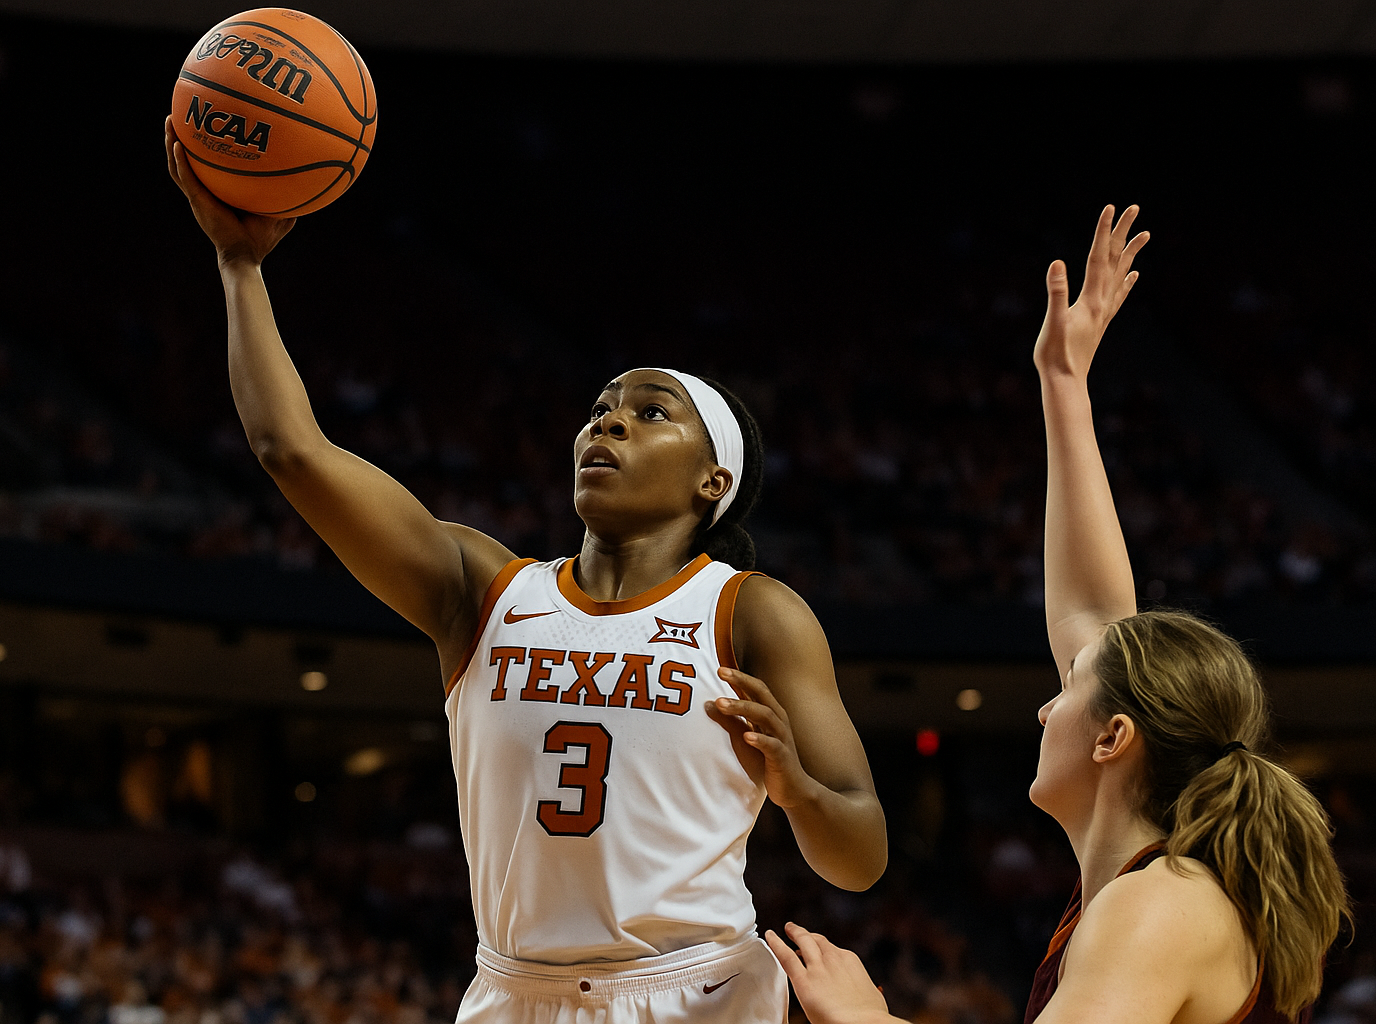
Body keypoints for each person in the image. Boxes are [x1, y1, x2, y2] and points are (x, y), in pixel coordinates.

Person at [164, 118, 889, 1023]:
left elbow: (860, 854)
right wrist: (240, 268)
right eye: (599, 409)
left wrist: (796, 789)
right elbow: (292, 451)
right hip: (514, 992)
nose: (607, 424)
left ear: (715, 481)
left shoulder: (752, 613)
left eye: (649, 412)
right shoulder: (483, 588)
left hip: (697, 993)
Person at [766, 206, 1350, 1024]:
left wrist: (871, 1022)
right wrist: (1064, 382)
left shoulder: (1159, 904)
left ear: (1115, 738)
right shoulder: (1142, 890)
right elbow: (1090, 611)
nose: (1043, 703)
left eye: (1068, 686)